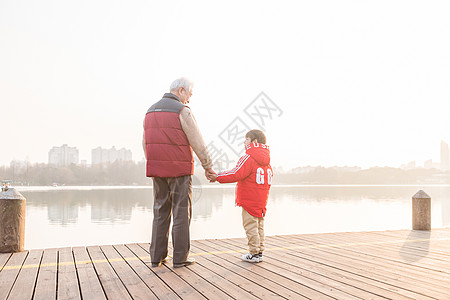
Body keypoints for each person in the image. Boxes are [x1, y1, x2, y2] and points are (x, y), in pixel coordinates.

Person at [143, 77, 216, 268]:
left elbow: (145, 142)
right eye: (189, 95)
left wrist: (154, 162)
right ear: (181, 90)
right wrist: (208, 166)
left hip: (157, 171)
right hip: (179, 170)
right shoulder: (182, 111)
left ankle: (156, 257)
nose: (189, 100)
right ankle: (180, 258)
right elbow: (197, 141)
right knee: (181, 213)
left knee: (160, 212)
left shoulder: (150, 111)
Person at [209, 129, 272, 262]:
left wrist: (217, 177)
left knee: (250, 226)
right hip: (261, 199)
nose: (244, 142)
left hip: (249, 199)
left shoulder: (249, 158)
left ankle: (254, 253)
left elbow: (236, 174)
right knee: (259, 226)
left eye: (247, 139)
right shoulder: (267, 161)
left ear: (254, 141)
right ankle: (259, 252)